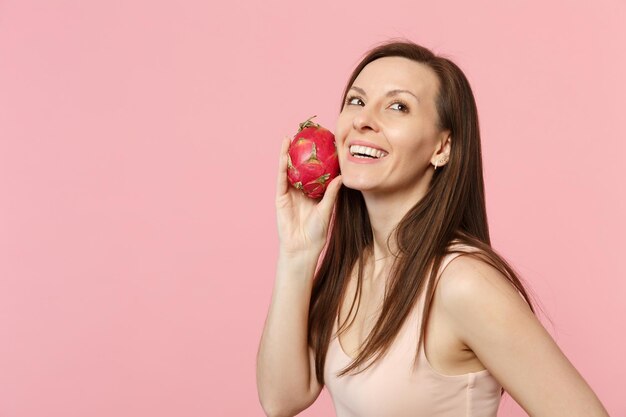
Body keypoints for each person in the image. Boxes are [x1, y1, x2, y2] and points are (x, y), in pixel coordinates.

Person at [256, 39, 610, 417]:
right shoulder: (356, 268)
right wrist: (297, 254)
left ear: (442, 147)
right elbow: (282, 399)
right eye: (356, 101)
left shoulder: (462, 282)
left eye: (398, 106)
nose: (363, 119)